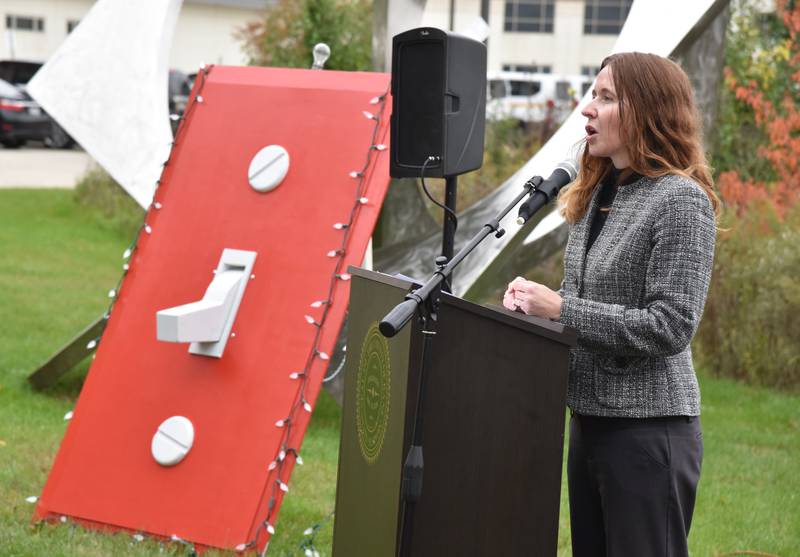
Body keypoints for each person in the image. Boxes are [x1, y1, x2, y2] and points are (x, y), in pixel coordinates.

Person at [503, 52, 719, 557]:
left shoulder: (680, 200)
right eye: (592, 95)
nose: (587, 110)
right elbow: (581, 303)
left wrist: (561, 309)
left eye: (605, 97)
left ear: (646, 109)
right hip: (590, 423)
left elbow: (669, 325)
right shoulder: (598, 194)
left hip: (648, 433)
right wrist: (530, 309)